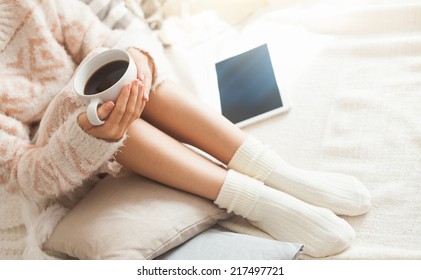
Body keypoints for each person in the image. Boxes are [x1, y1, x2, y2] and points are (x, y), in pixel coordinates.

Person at [0, 0, 371, 258]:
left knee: (129, 72)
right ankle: (257, 202)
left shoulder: (30, 4)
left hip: (110, 116)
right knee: (92, 102)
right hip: (58, 172)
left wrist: (140, 60)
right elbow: (22, 173)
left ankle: (281, 176)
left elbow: (103, 39)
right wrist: (83, 133)